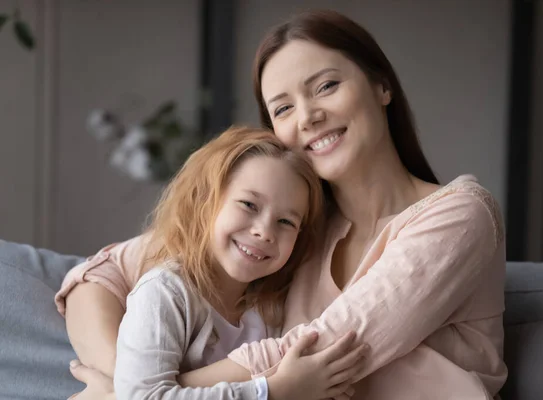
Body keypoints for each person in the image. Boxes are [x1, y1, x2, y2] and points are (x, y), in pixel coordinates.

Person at [58, 9, 508, 400]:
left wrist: (141, 394)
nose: (308, 116)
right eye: (283, 109)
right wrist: (128, 380)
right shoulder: (289, 230)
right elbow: (101, 274)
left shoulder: (459, 215)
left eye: (326, 86)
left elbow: (323, 350)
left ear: (381, 86)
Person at [62, 126, 367, 400]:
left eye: (286, 221)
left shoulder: (271, 311)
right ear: (206, 201)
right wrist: (272, 392)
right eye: (249, 205)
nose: (264, 231)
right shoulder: (165, 293)